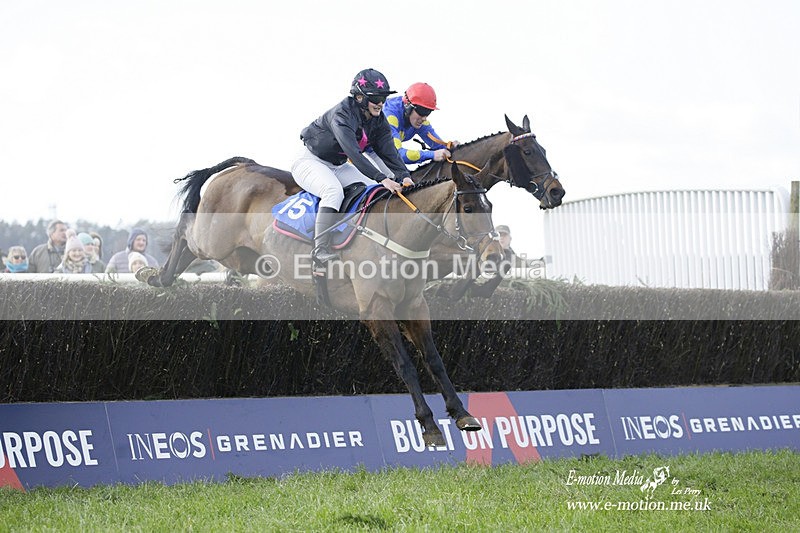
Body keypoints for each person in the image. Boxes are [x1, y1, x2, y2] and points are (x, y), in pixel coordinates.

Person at [291, 68, 413, 265]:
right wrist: (383, 177)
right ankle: (319, 249)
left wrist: (404, 176)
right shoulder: (342, 114)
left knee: (373, 190)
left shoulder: (379, 119)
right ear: (359, 97)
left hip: (337, 165)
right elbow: (354, 154)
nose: (381, 103)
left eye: (383, 97)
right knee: (333, 191)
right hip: (310, 161)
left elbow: (389, 152)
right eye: (376, 98)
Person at [373, 82, 459, 171]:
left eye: (428, 112)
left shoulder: (418, 119)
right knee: (398, 180)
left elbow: (440, 147)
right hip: (367, 151)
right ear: (408, 106)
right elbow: (396, 154)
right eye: (422, 111)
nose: (424, 118)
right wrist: (431, 155)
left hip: (382, 153)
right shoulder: (390, 118)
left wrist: (453, 148)